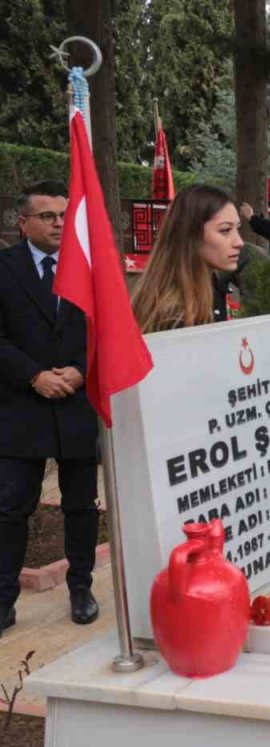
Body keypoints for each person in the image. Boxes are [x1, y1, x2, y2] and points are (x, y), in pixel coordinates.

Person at [0, 182, 100, 633]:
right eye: (47, 216)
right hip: (22, 405)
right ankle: (3, 598)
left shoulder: (88, 268)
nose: (58, 223)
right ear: (23, 223)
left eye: (62, 214)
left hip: (77, 403)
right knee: (11, 507)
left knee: (81, 505)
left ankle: (81, 587)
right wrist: (34, 376)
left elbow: (105, 330)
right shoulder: (4, 268)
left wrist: (80, 370)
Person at [132, 184, 245, 334]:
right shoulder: (172, 315)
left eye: (238, 228)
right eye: (225, 230)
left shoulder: (210, 289)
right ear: (191, 234)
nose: (239, 242)